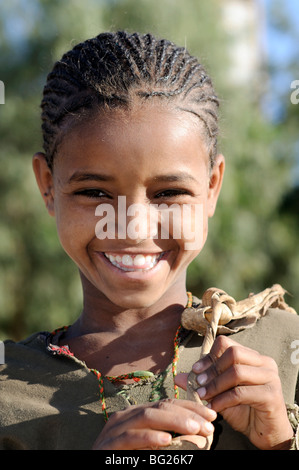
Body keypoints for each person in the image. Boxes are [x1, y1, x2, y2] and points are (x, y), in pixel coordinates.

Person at [0, 31, 298, 451]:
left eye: (168, 193)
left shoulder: (282, 349)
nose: (133, 228)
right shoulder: (8, 391)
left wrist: (279, 441)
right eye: (95, 192)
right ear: (48, 186)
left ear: (211, 188)